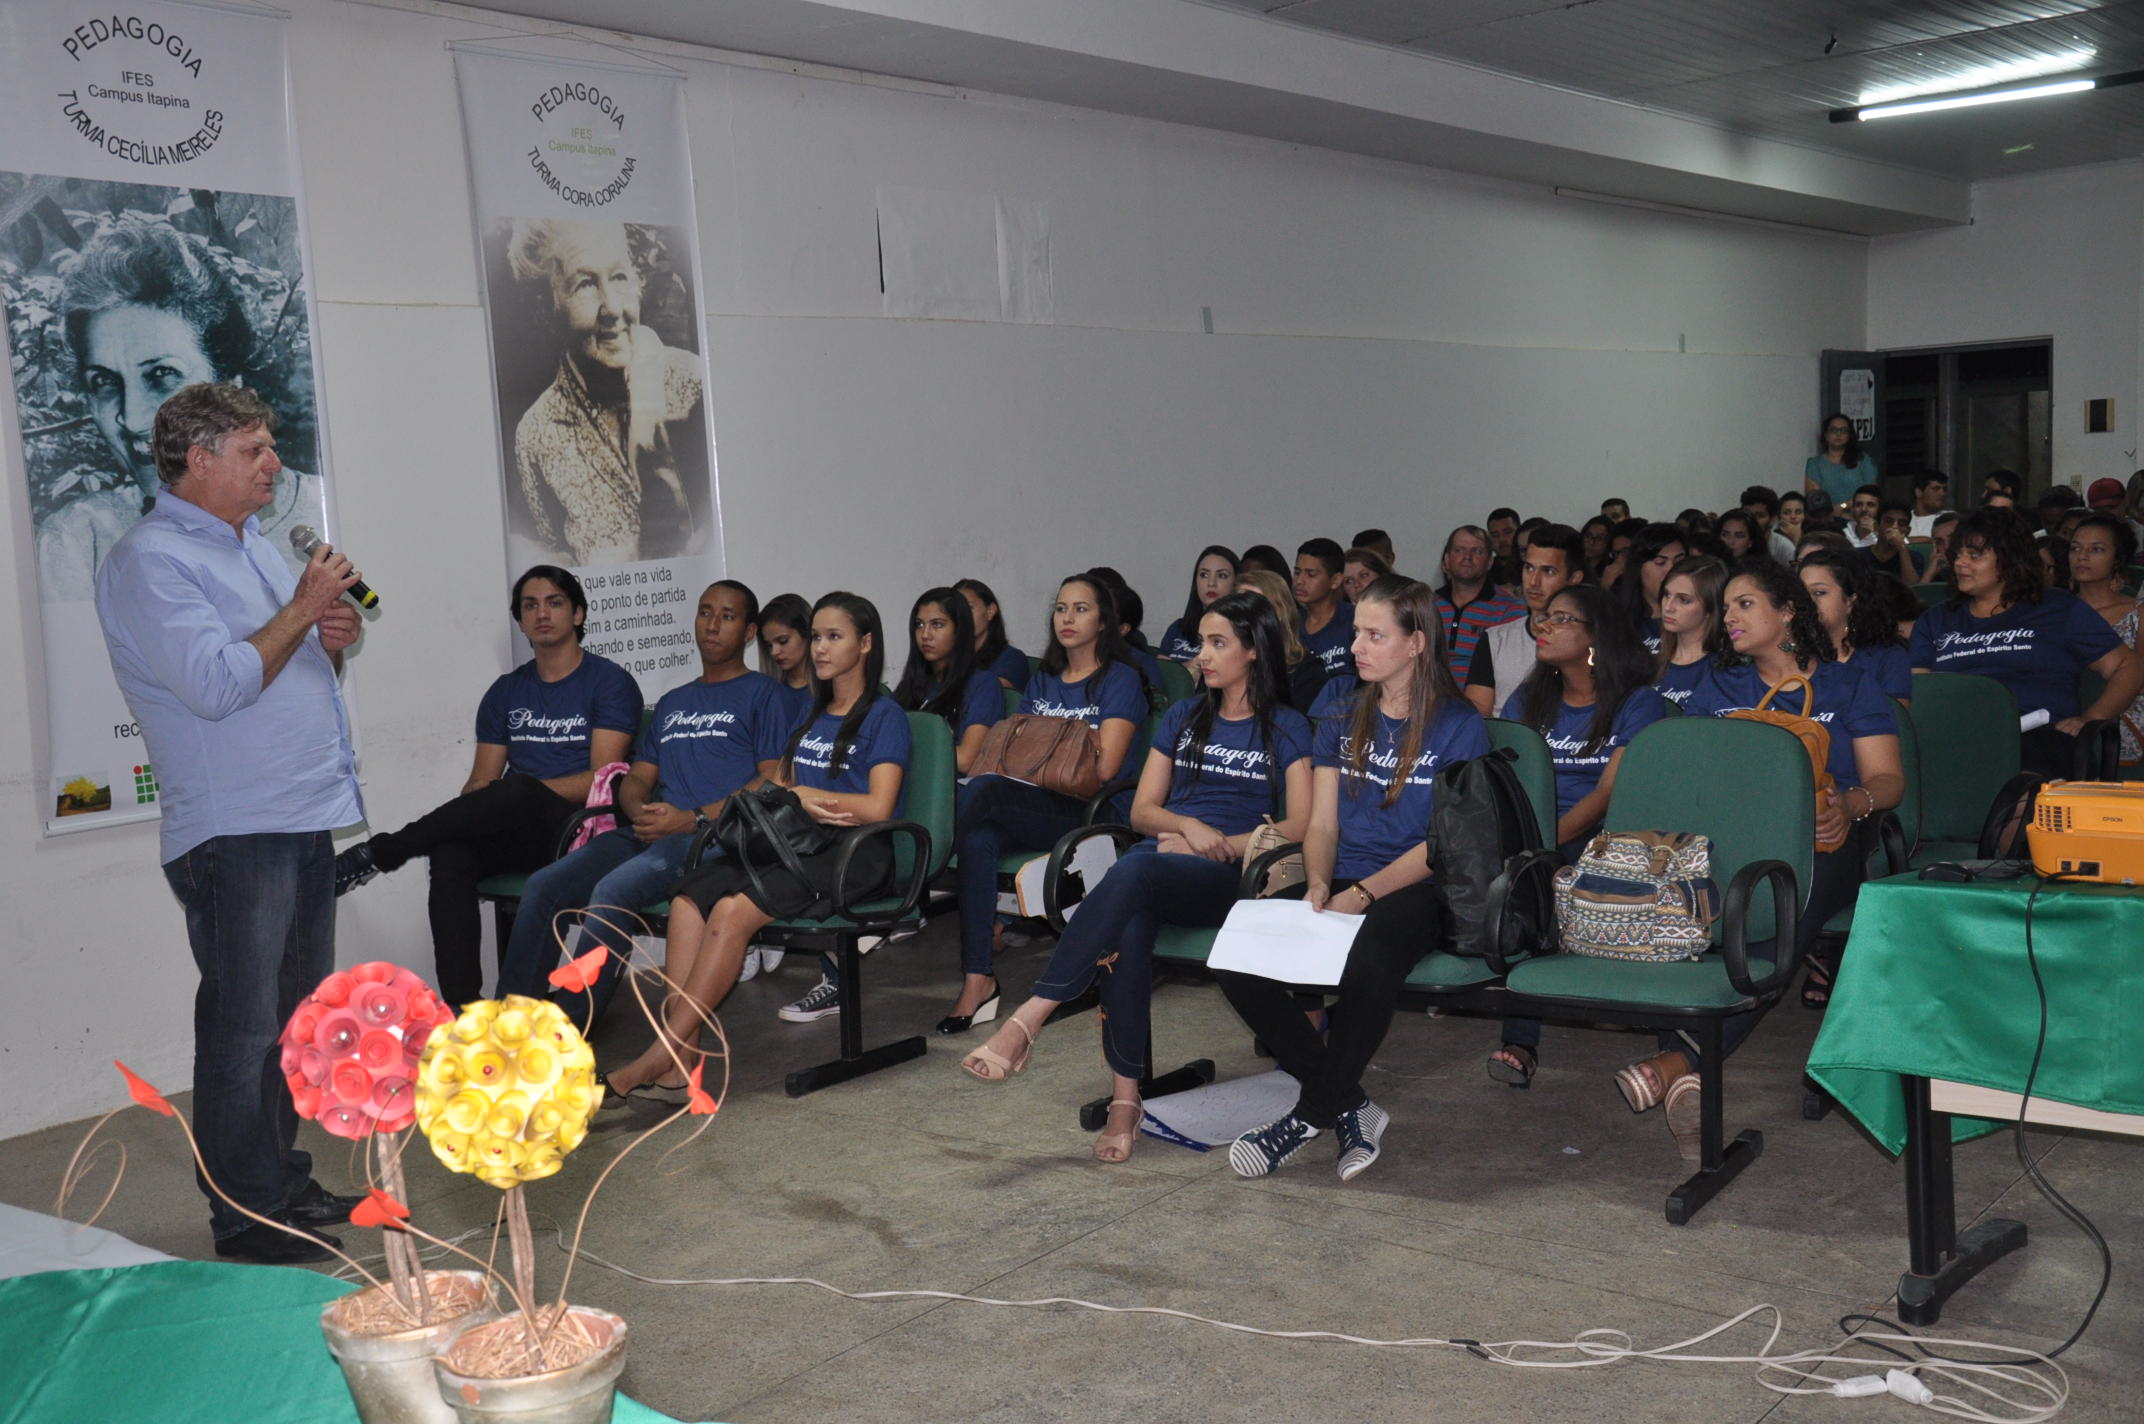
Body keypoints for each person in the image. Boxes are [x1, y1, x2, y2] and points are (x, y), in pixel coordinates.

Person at [95, 382, 365, 1264]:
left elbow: (281, 666)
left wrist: (326, 641)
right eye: (254, 450)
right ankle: (245, 1217)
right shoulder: (151, 561)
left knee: (291, 1022)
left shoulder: (249, 547)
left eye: (271, 447)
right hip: (235, 829)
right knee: (242, 1030)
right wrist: (303, 606)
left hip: (298, 813)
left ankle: (282, 1182)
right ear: (198, 459)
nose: (274, 464)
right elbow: (216, 685)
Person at [959, 593, 1313, 1163]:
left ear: (1253, 651)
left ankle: (1032, 1015)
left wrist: (1218, 844)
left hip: (1235, 873)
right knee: (1131, 912)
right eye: (1202, 642)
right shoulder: (1184, 716)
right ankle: (1126, 1099)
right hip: (1165, 858)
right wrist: (1187, 826)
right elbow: (1144, 811)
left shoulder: (1286, 726)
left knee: (1135, 869)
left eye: (1218, 643)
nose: (1202, 655)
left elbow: (1301, 823)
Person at [1215, 577, 1491, 1181]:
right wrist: (1318, 882)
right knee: (1236, 953)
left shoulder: (1458, 724)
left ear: (1416, 642)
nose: (1357, 646)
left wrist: (1363, 894)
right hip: (1341, 874)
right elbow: (1322, 822)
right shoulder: (1341, 710)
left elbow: (1442, 844)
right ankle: (1349, 1104)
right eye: (1357, 632)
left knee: (1369, 957)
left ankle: (1305, 1117)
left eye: (1375, 635)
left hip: (1422, 885)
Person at [601, 593, 909, 1099]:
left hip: (855, 852)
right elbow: (778, 786)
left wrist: (807, 797)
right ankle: (681, 1061)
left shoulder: (883, 716)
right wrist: (792, 796)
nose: (820, 648)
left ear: (866, 644)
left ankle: (661, 1053)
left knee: (731, 911)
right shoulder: (810, 713)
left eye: (834, 637)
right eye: (817, 637)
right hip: (799, 842)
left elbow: (879, 808)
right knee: (688, 899)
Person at [332, 567, 641, 1007]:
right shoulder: (506, 691)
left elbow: (602, 780)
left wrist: (519, 794)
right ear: (520, 621)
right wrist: (479, 808)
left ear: (578, 614)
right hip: (522, 826)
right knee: (451, 853)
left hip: (582, 829)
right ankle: (465, 1008)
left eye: (554, 603)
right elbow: (482, 780)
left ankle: (384, 850)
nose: (542, 614)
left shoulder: (609, 682)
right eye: (530, 606)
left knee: (520, 789)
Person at [495, 581, 787, 1022]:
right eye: (705, 612)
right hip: (652, 830)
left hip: (714, 835)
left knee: (613, 889)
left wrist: (691, 818)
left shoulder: (764, 694)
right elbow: (636, 778)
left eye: (727, 617)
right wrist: (638, 810)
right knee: (543, 885)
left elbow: (770, 780)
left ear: (749, 633)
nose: (711, 625)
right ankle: (509, 1022)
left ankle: (572, 1026)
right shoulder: (673, 702)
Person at [1670, 562, 1903, 1074]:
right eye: (1726, 607)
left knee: (1777, 909)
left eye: (1744, 604)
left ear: (1788, 612)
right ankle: (1682, 1056)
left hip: (1823, 835)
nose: (1729, 617)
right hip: (1729, 834)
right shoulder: (1719, 686)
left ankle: (1681, 1060)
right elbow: (1688, 772)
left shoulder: (1849, 684)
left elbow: (1888, 780)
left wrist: (1849, 805)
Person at [42, 216, 326, 601]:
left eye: (162, 374)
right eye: (104, 381)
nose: (132, 418)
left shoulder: (323, 513)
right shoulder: (79, 543)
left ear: (232, 389)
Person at [942, 575, 1148, 1030]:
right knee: (978, 837)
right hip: (1035, 800)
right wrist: (1073, 741)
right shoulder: (1045, 680)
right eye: (1060, 608)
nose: (1067, 618)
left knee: (984, 789)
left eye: (1080, 609)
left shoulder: (1121, 679)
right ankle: (978, 979)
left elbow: (1106, 769)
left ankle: (924, 864)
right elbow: (1016, 756)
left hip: (1093, 812)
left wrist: (1050, 749)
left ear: (1103, 621)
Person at [1486, 583, 1667, 1088]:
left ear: (1597, 636)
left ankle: (1521, 1038)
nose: (1543, 627)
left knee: (1534, 879)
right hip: (1533, 829)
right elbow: (1506, 779)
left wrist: (1541, 844)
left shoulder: (1638, 703)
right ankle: (1518, 1026)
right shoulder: (1529, 697)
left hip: (1601, 836)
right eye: (1544, 617)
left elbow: (1606, 794)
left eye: (1561, 618)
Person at [507, 219, 704, 566]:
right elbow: (557, 567)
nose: (612, 308)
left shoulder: (692, 382)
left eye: (619, 277)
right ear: (545, 304)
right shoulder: (536, 434)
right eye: (585, 285)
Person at [1910, 509, 2144, 778]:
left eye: (1974, 556)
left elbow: (2128, 666)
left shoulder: (2057, 609)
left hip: (2038, 738)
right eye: (1958, 554)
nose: (1960, 563)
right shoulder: (1936, 620)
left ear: (2009, 559)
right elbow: (1920, 691)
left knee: (2020, 782)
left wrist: (2091, 717)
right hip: (1957, 737)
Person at [1465, 522, 1584, 719]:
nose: (1534, 581)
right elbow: (1477, 720)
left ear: (1574, 578)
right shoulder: (1495, 640)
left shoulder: (1589, 641)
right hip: (1504, 736)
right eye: (1529, 568)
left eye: (1548, 571)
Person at [891, 587, 1003, 774]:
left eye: (937, 624)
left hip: (948, 786)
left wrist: (900, 746)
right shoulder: (911, 684)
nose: (925, 634)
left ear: (959, 631)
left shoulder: (983, 685)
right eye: (919, 624)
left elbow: (967, 760)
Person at [2069, 513, 2144, 766]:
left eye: (2097, 549)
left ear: (2117, 558)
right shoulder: (2055, 611)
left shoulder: (2137, 613)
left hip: (2123, 716)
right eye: (2075, 548)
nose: (2082, 556)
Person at [1798, 550, 1912, 705]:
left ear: (1850, 601)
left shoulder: (1887, 657)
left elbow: (1893, 717)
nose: (1807, 601)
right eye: (1801, 593)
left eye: (1819, 592)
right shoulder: (1791, 655)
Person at [1434, 525, 1524, 680]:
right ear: (1447, 560)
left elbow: (1513, 672)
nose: (1467, 557)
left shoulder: (1510, 609)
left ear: (1490, 562)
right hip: (1429, 693)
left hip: (1485, 693)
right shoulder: (1427, 605)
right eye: (1459, 550)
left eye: (1477, 551)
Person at [1236, 568, 1330, 713]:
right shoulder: (1224, 663)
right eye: (1238, 606)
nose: (1245, 614)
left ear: (1280, 613)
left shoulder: (1308, 671)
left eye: (1255, 606)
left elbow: (1295, 723)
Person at [1653, 555, 1728, 707]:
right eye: (1667, 595)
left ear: (1710, 608)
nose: (1668, 607)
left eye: (1684, 600)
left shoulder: (1725, 672)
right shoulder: (1648, 665)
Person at [1614, 523, 1688, 653]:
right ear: (1638, 567)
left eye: (1679, 562)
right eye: (1660, 562)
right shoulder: (1616, 619)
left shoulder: (1697, 618)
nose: (1671, 570)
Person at [1157, 546, 1237, 664]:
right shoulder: (1178, 628)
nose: (1211, 583)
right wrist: (1188, 667)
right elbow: (1163, 671)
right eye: (1204, 575)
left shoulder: (1242, 632)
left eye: (1222, 576)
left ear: (1236, 583)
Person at [956, 578, 1032, 691]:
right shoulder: (945, 658)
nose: (961, 616)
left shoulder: (1012, 659)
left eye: (969, 608)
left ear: (990, 611)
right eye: (955, 610)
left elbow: (987, 690)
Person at [755, 592, 815, 734]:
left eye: (783, 641)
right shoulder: (766, 693)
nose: (774, 652)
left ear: (808, 634)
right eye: (769, 645)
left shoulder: (833, 688)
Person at [1294, 538, 1356, 675]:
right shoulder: (1289, 623)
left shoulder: (1354, 620)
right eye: (1297, 572)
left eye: (1311, 575)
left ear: (1335, 580)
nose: (1299, 581)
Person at [1805, 411, 1877, 506]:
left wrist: (1844, 506)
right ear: (1826, 435)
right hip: (1827, 514)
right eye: (1833, 430)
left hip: (1860, 511)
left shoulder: (1864, 460)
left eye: (1843, 430)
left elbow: (1871, 493)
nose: (1838, 434)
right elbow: (1815, 500)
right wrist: (1835, 510)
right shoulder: (1815, 464)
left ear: (1849, 436)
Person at [1866, 500, 1926, 582]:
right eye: (1889, 521)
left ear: (1907, 531)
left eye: (1902, 523)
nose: (1895, 527)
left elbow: (1912, 587)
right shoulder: (1859, 555)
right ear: (1876, 526)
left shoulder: (1915, 558)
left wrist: (1902, 549)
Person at [1738, 487, 1796, 565]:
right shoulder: (1734, 543)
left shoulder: (1785, 548)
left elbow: (1797, 569)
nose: (1752, 520)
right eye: (1748, 514)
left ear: (1773, 519)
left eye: (1759, 516)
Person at [1486, 506, 1522, 588]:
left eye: (1507, 532)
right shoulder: (1483, 572)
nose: (1502, 539)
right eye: (1495, 535)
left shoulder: (1532, 567)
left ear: (1520, 532)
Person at [1909, 471, 1951, 540]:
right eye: (1936, 489)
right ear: (1918, 492)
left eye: (1944, 489)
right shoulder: (1905, 519)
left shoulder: (1950, 518)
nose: (1942, 493)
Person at [1921, 512, 1961, 584]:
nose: (1947, 546)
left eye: (1953, 538)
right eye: (1939, 542)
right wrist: (1929, 574)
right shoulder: (1938, 574)